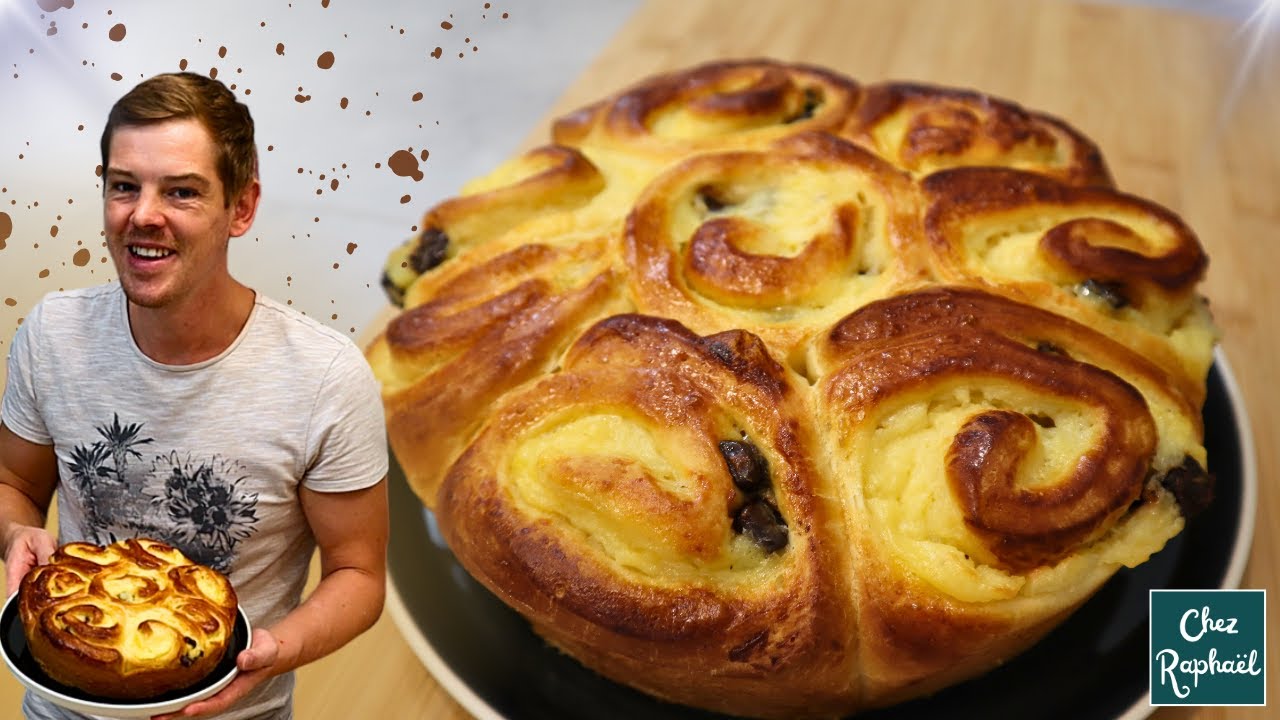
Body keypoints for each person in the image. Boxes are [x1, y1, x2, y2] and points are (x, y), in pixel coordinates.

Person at [0, 72, 389, 719]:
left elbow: (360, 575)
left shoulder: (325, 378)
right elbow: (14, 482)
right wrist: (16, 534)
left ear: (241, 207)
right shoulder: (51, 335)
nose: (142, 214)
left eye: (181, 192)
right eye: (124, 186)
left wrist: (271, 650)